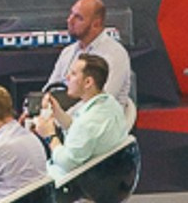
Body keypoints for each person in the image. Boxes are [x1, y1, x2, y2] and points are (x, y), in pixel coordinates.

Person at [39, 50, 134, 186]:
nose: (67, 78)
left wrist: (50, 136)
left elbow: (67, 162)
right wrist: (58, 113)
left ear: (88, 82)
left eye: (73, 74)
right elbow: (81, 135)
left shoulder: (89, 122)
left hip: (68, 185)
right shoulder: (109, 104)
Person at [47, 0, 133, 114]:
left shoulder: (115, 54)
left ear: (96, 24)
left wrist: (61, 118)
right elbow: (51, 89)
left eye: (78, 18)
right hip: (66, 122)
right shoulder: (68, 52)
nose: (70, 20)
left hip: (100, 124)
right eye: (71, 14)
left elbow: (102, 100)